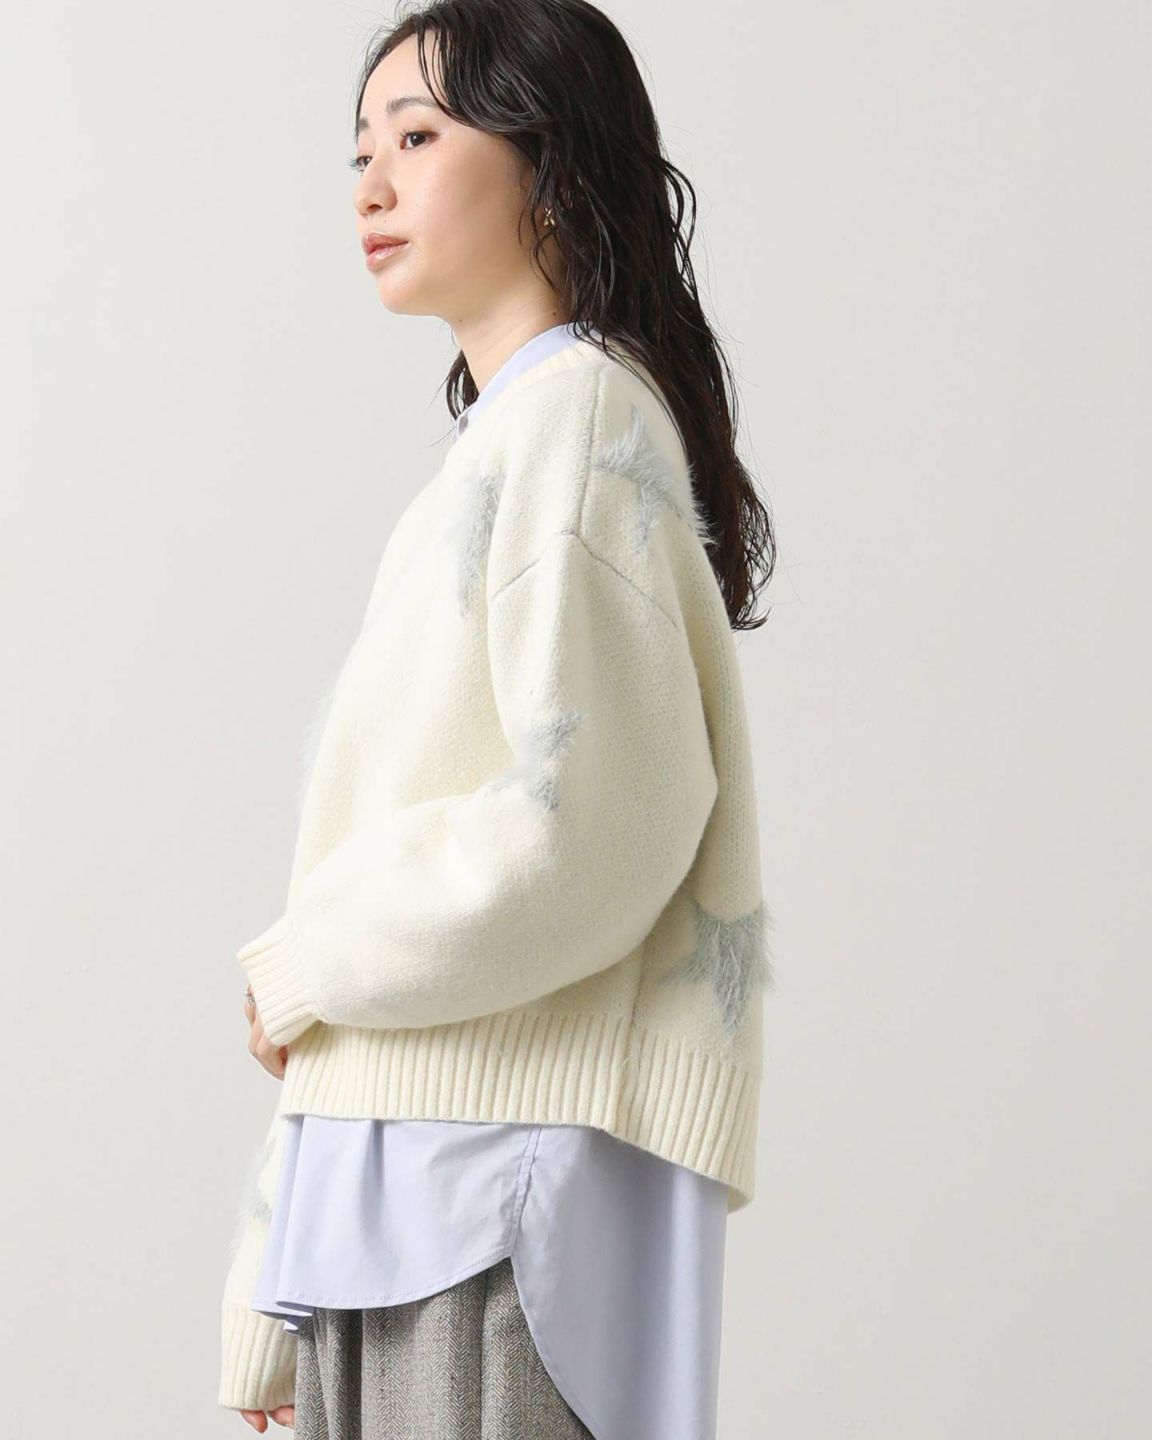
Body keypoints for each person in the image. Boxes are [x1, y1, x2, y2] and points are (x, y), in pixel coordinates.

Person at [218, 1, 777, 1435]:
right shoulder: (513, 445)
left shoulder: (576, 425)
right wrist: (270, 1285)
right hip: (409, 1203)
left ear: (551, 165)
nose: (372, 184)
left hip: (486, 1203)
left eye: (417, 137)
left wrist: (312, 961)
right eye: (361, 150)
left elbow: (587, 829)